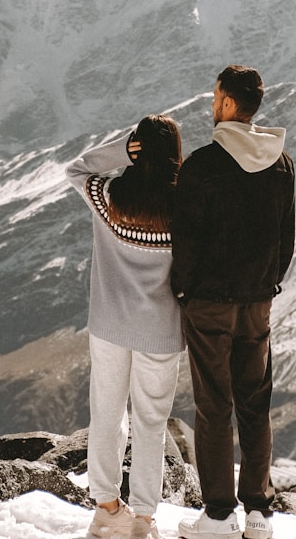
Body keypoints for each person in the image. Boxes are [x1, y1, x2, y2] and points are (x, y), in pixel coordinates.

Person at [171, 65, 295, 539]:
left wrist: (184, 289)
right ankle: (259, 512)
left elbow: (186, 241)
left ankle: (219, 515)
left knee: (214, 405)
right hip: (258, 302)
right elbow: (287, 240)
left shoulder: (202, 165)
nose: (211, 105)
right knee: (254, 403)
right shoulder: (280, 162)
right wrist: (266, 284)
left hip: (208, 304)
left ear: (226, 104)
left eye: (214, 97)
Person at [67, 115, 185, 539]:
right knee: (151, 424)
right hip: (161, 330)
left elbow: (77, 169)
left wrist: (122, 148)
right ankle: (144, 518)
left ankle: (105, 507)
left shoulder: (107, 197)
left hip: (109, 324)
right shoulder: (184, 205)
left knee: (106, 413)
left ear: (139, 152)